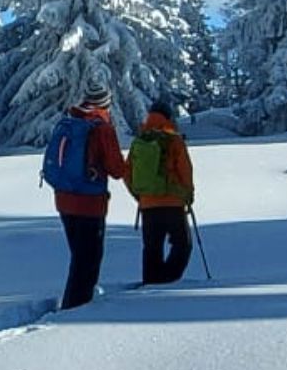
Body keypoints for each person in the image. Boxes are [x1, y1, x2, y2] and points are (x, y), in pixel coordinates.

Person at [44, 85, 130, 309]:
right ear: (106, 103)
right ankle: (76, 309)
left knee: (79, 257)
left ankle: (74, 303)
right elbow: (117, 169)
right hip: (90, 203)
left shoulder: (68, 122)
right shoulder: (101, 128)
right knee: (88, 260)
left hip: (63, 200)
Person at [127, 94, 198, 287]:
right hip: (173, 202)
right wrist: (188, 195)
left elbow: (128, 173)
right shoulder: (173, 140)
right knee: (183, 245)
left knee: (152, 247)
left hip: (148, 204)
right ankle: (167, 280)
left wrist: (140, 195)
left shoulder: (139, 141)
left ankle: (151, 283)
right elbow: (185, 170)